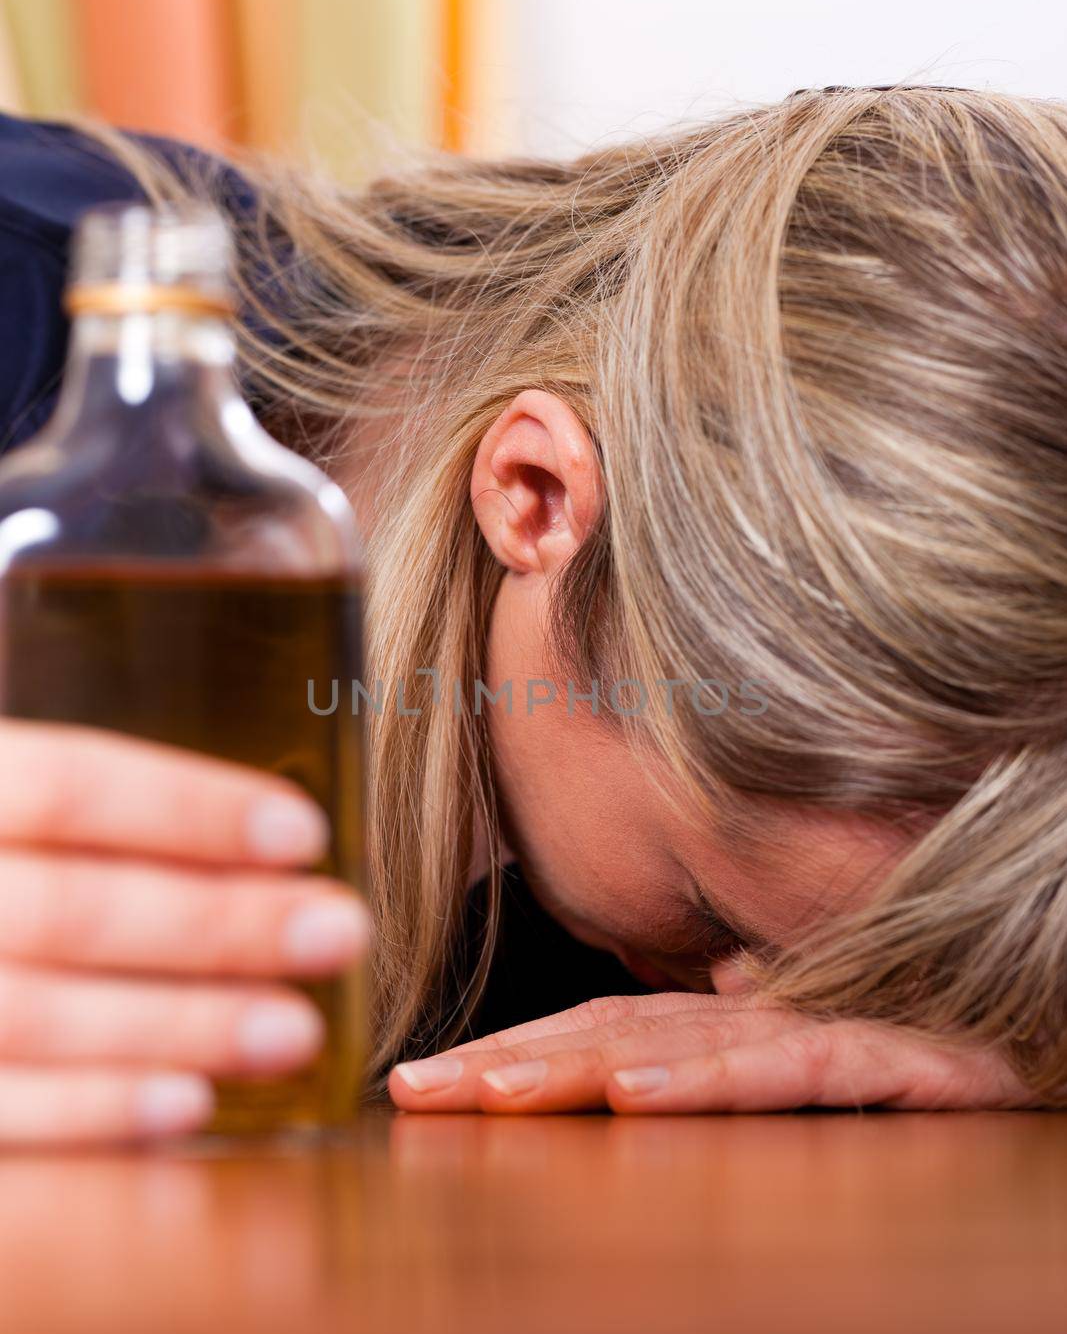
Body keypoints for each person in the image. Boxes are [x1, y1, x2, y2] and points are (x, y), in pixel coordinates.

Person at [0, 85, 1063, 1145]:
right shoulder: (33, 322)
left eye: (878, 981)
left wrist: (1006, 1029)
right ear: (535, 495)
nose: (761, 1012)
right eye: (716, 921)